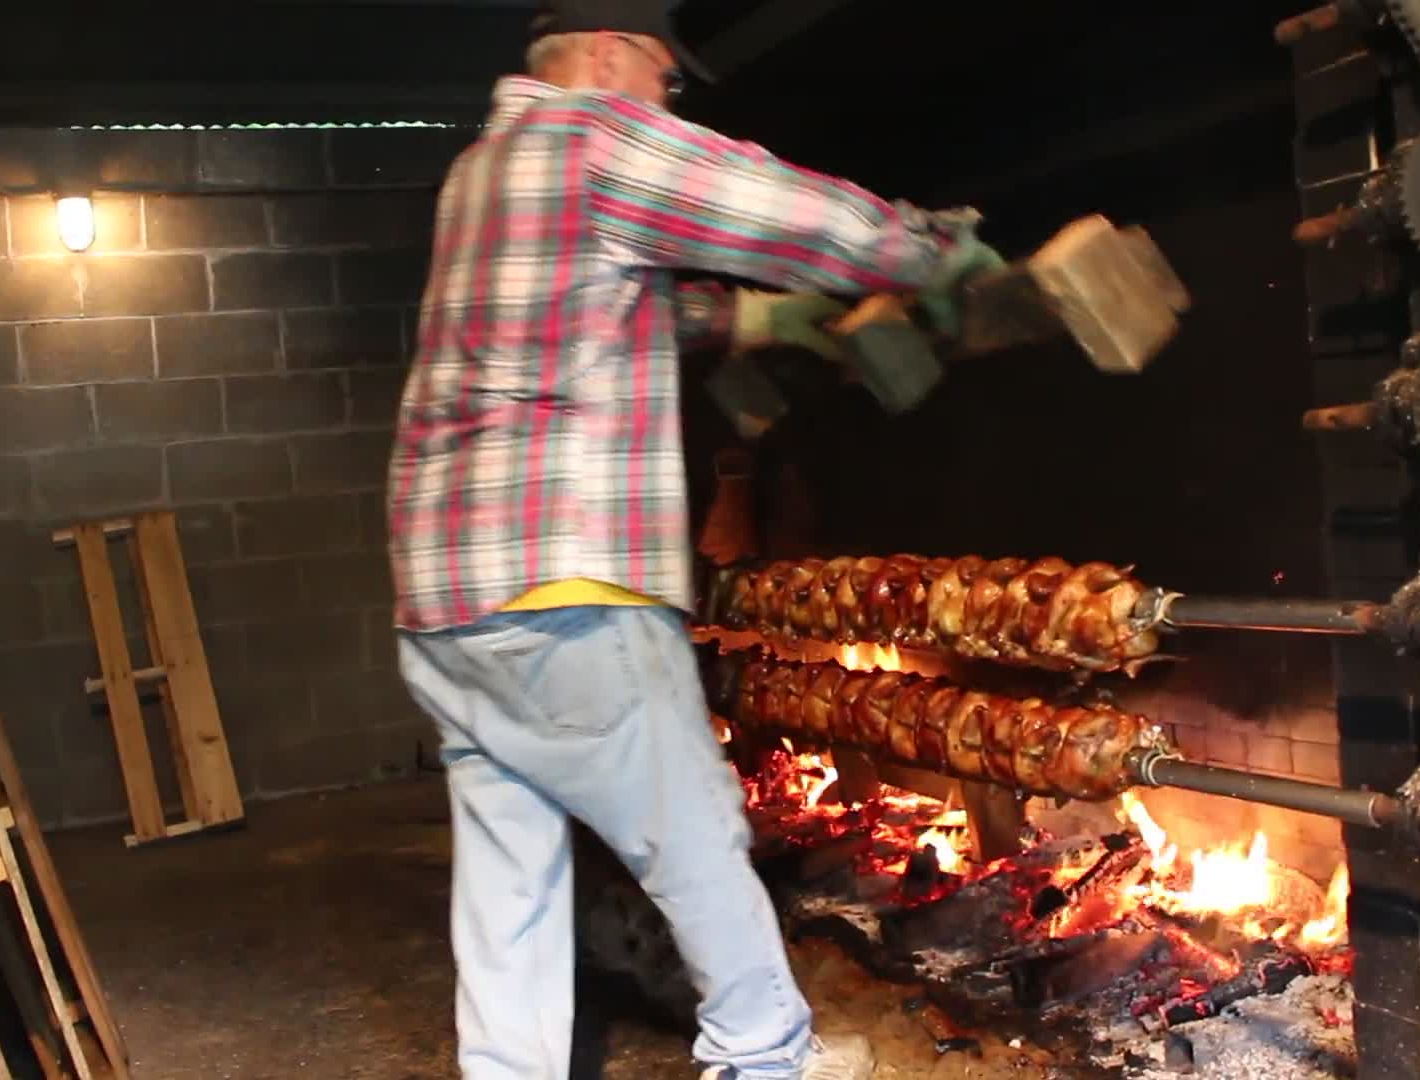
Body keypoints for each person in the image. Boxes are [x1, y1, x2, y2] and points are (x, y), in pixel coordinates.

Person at [386, 2, 1002, 1077]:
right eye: (668, 82)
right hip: (560, 587)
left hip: (448, 600)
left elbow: (592, 308)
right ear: (611, 52)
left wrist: (748, 323)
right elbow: (775, 208)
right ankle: (766, 1058)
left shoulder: (481, 172)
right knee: (697, 836)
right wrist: (927, 252)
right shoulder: (593, 139)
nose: (668, 103)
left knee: (511, 879)